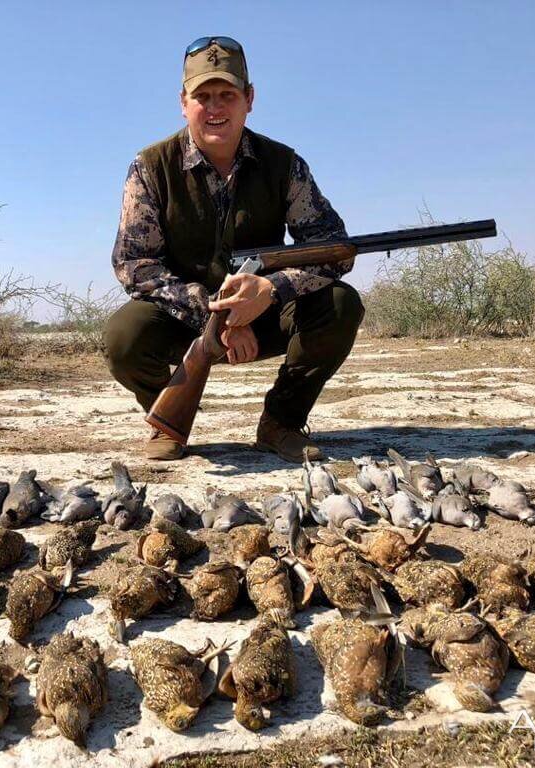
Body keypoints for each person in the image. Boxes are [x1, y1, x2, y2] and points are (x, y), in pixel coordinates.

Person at [105, 35, 363, 463]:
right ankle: (167, 420)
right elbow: (135, 265)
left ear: (249, 99)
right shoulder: (150, 167)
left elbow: (331, 248)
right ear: (183, 102)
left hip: (264, 316)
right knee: (123, 338)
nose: (215, 107)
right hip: (186, 317)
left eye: (227, 94)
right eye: (202, 95)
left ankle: (281, 421)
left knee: (340, 305)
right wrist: (217, 314)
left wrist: (269, 292)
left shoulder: (285, 164)